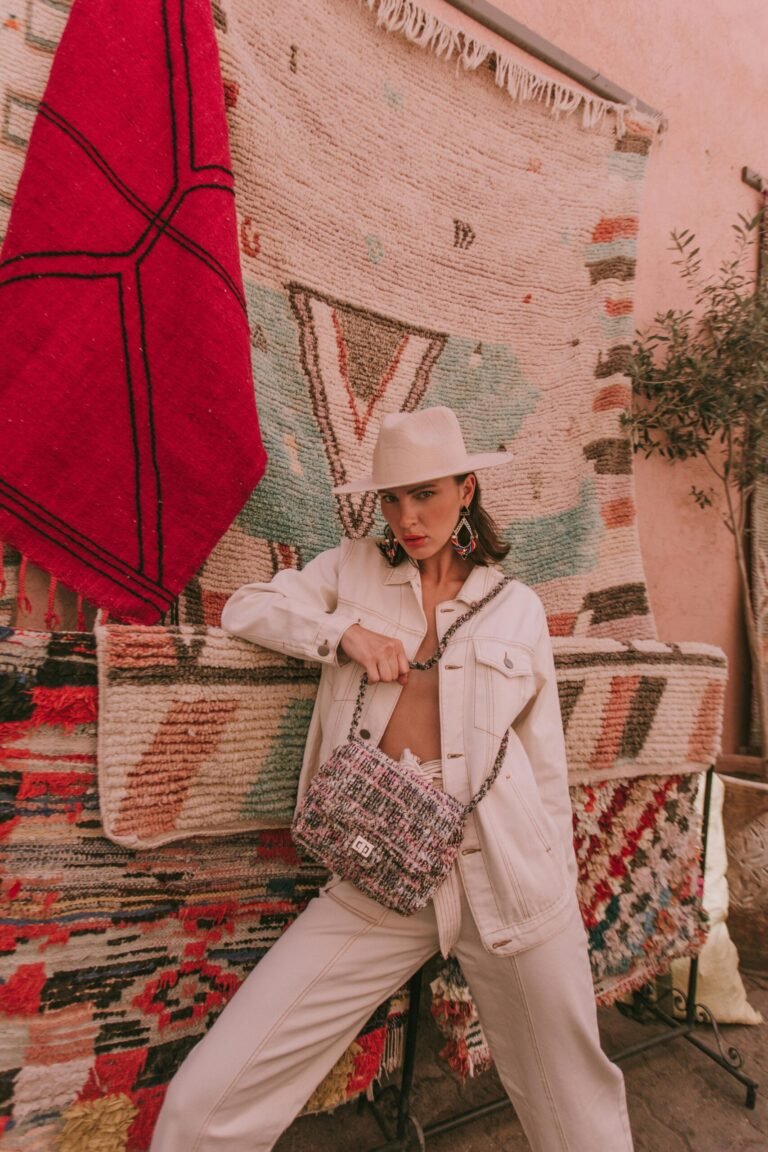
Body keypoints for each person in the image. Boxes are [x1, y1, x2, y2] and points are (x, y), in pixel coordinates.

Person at [150, 406, 634, 1151]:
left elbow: (545, 768)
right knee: (205, 1100)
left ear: (466, 490)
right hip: (381, 858)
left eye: (427, 495)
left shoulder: (517, 609)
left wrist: (555, 896)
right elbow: (250, 607)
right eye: (392, 498)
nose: (407, 517)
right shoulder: (351, 570)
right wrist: (342, 632)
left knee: (578, 1113)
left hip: (508, 867)